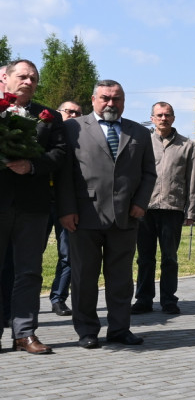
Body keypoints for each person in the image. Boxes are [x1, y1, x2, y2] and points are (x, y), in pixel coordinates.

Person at [58, 80, 157, 348]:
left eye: (117, 99)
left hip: (126, 217)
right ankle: (87, 330)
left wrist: (141, 203)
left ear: (124, 101)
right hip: (83, 216)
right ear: (93, 99)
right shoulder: (72, 128)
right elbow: (64, 173)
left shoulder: (139, 132)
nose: (111, 104)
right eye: (105, 98)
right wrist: (66, 209)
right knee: (84, 277)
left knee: (121, 280)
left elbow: (149, 173)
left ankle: (119, 329)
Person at [0, 59, 66, 354]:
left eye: (34, 78)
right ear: (6, 77)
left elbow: (60, 154)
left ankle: (24, 333)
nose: (28, 82)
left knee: (29, 272)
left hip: (33, 206)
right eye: (22, 76)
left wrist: (32, 166)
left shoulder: (48, 116)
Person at [131, 102, 195, 315]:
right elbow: (134, 175)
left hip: (172, 208)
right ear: (152, 118)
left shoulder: (187, 146)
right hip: (145, 208)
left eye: (167, 115)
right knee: (145, 257)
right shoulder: (142, 142)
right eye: (159, 115)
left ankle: (169, 299)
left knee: (169, 258)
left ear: (174, 117)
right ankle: (143, 299)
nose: (163, 118)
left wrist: (191, 212)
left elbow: (191, 180)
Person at [48, 100, 83, 317]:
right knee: (30, 256)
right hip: (41, 201)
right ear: (59, 113)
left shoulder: (82, 141)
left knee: (68, 254)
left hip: (67, 204)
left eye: (78, 113)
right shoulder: (46, 133)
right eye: (69, 111)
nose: (74, 115)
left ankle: (58, 298)